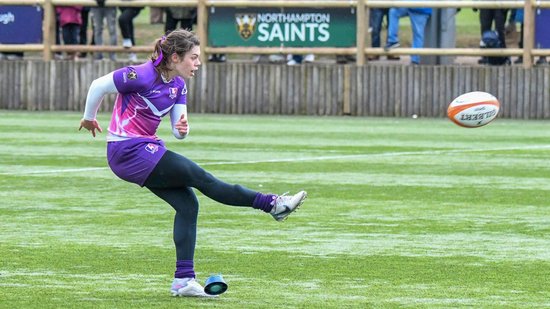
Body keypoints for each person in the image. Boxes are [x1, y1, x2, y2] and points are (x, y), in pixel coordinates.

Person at [78, 29, 308, 297]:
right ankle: (272, 204)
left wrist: (182, 129)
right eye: (194, 57)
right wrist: (88, 117)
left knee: (188, 204)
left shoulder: (179, 86)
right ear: (175, 57)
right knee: (201, 177)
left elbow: (178, 131)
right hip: (126, 150)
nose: (198, 63)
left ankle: (183, 280)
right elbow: (98, 85)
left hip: (143, 148)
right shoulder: (139, 75)